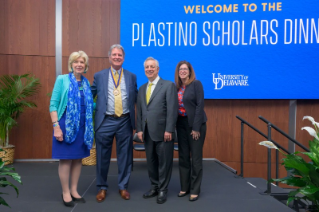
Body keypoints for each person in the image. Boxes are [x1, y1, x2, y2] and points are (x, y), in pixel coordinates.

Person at [91, 44, 137, 203]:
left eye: (120, 55)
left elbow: (134, 97)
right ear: (109, 57)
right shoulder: (99, 76)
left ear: (123, 58)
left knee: (125, 156)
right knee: (102, 156)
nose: (117, 57)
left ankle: (123, 186)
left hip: (125, 120)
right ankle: (101, 188)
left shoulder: (131, 76)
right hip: (105, 121)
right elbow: (90, 95)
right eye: (114, 55)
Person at [49, 50, 94, 207]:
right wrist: (56, 127)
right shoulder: (62, 80)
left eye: (82, 62)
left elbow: (88, 105)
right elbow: (53, 105)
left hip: (83, 127)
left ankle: (74, 190)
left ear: (85, 65)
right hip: (65, 125)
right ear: (71, 64)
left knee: (78, 159)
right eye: (76, 62)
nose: (79, 65)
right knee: (66, 160)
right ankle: (65, 192)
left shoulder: (86, 82)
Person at [136, 57, 178, 204]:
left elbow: (173, 110)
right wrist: (139, 129)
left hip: (163, 133)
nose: (149, 69)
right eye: (147, 67)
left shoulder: (168, 85)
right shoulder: (141, 89)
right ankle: (154, 186)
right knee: (151, 162)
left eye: (152, 67)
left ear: (158, 69)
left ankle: (163, 190)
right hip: (147, 133)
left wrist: (169, 130)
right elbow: (140, 111)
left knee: (164, 162)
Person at [174, 61, 207, 202]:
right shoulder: (176, 87)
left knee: (196, 159)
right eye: (180, 69)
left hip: (195, 125)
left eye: (185, 69)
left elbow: (200, 106)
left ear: (189, 71)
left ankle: (195, 189)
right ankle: (185, 187)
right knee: (183, 157)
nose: (182, 71)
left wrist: (196, 127)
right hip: (180, 124)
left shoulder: (196, 84)